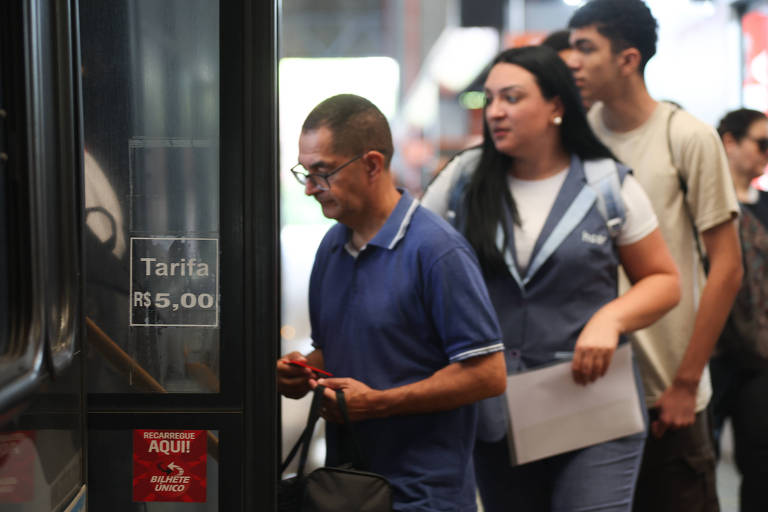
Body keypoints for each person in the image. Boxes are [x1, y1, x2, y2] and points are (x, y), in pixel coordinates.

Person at [422, 45, 680, 512]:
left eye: (512, 98)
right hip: (496, 411)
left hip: (592, 405)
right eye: (490, 98)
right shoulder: (463, 178)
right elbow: (414, 263)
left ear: (556, 106)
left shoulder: (607, 184)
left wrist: (611, 319)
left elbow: (664, 281)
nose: (495, 111)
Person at [276, 93, 507, 512]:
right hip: (349, 491)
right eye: (305, 173)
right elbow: (345, 346)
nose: (310, 189)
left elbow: (487, 374)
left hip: (424, 497)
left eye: (322, 173)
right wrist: (304, 369)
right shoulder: (332, 248)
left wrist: (379, 404)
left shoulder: (436, 252)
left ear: (372, 164)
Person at [567, 1, 743, 510]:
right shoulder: (576, 138)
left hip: (668, 389)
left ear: (627, 58)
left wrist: (687, 382)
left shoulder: (686, 136)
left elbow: (726, 269)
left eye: (585, 48)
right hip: (591, 385)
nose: (571, 61)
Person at [710, 108, 768, 512]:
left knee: (761, 464)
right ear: (729, 141)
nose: (766, 154)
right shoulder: (704, 206)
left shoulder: (764, 206)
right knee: (696, 462)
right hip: (708, 352)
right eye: (761, 143)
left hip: (760, 357)